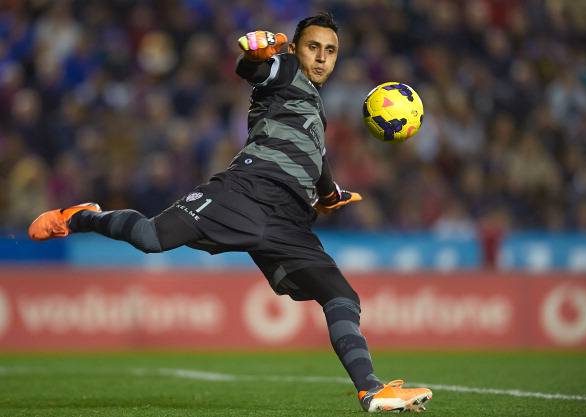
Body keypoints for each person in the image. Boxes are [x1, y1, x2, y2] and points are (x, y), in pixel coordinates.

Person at [28, 13, 432, 413]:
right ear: (295, 49)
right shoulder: (287, 71)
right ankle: (81, 216)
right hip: (244, 193)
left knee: (341, 295)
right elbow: (253, 70)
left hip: (288, 221)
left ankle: (372, 391)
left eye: (330, 50)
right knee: (151, 237)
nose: (322, 57)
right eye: (313, 47)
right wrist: (257, 55)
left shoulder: (313, 110)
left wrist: (330, 194)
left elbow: (318, 162)